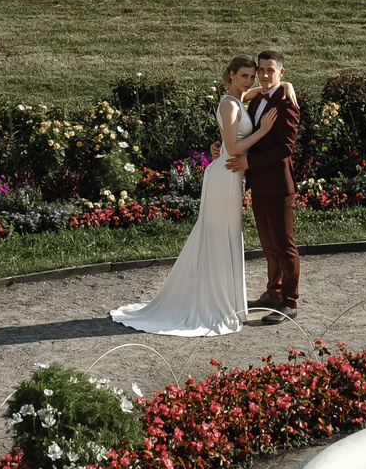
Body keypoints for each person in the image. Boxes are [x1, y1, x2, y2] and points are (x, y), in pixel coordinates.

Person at [110, 57, 276, 336]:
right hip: (223, 177)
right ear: (232, 75)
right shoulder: (229, 103)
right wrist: (262, 131)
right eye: (244, 76)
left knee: (225, 236)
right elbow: (234, 149)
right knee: (218, 236)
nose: (250, 81)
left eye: (252, 76)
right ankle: (212, 304)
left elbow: (265, 92)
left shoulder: (239, 97)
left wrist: (285, 87)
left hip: (230, 175)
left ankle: (222, 301)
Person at [231, 50, 301, 320]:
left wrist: (250, 164)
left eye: (270, 70)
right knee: (268, 246)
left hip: (279, 186)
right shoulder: (257, 98)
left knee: (284, 246)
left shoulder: (287, 104)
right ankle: (273, 292)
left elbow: (285, 148)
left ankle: (290, 302)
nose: (264, 75)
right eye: (261, 70)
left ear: (281, 72)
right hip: (259, 184)